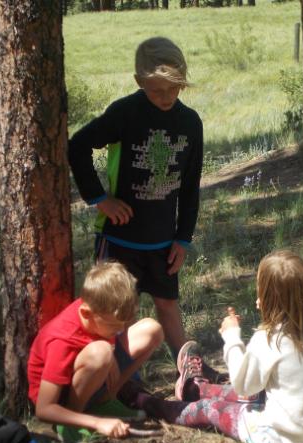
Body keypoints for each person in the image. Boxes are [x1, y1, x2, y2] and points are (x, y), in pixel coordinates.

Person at [67, 36, 204, 370]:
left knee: (168, 304)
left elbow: (190, 186)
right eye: (157, 90)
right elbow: (78, 145)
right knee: (120, 313)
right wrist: (100, 199)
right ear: (139, 81)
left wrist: (183, 238)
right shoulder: (125, 113)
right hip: (120, 238)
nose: (166, 97)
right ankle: (124, 380)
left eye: (174, 88)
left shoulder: (190, 122)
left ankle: (190, 372)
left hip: (163, 241)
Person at [137, 251, 303, 443]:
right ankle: (195, 389)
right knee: (256, 394)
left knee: (209, 408)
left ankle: (148, 403)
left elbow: (244, 385)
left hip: (284, 436)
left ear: (267, 297)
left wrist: (232, 337)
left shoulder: (269, 338)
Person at [27, 262, 164, 439]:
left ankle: (105, 402)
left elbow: (104, 334)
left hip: (91, 376)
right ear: (86, 313)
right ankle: (71, 423)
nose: (121, 329)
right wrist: (97, 423)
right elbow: (44, 409)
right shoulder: (61, 341)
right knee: (101, 352)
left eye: (122, 324)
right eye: (113, 326)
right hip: (60, 402)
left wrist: (111, 347)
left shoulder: (98, 308)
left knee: (152, 330)